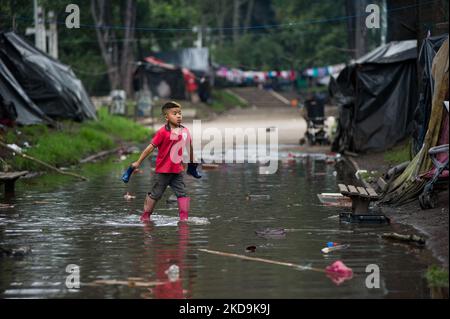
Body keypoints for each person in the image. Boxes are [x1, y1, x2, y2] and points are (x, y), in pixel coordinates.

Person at [131, 101, 201, 222]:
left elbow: (189, 147)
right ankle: (145, 216)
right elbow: (150, 148)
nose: (179, 116)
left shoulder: (185, 131)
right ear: (166, 117)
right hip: (163, 171)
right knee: (156, 194)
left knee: (182, 194)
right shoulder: (162, 132)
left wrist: (192, 162)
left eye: (180, 113)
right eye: (175, 113)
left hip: (177, 171)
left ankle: (184, 219)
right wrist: (138, 162)